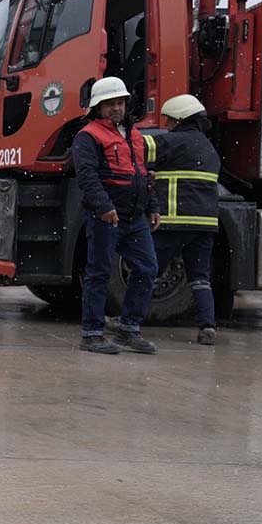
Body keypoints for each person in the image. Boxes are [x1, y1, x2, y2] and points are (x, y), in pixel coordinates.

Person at [72, 76, 160, 355]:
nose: (116, 108)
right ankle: (92, 334)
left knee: (147, 269)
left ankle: (128, 330)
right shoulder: (88, 136)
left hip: (134, 218)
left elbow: (144, 174)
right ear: (97, 107)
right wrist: (104, 207)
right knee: (99, 272)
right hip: (105, 217)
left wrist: (153, 206)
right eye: (109, 104)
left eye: (120, 103)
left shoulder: (135, 135)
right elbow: (87, 177)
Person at [145, 94, 222, 345]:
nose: (166, 125)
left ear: (180, 119)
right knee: (200, 277)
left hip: (174, 222)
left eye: (168, 121)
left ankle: (128, 319)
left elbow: (140, 150)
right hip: (205, 225)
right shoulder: (208, 148)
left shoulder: (174, 141)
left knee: (148, 271)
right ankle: (207, 327)